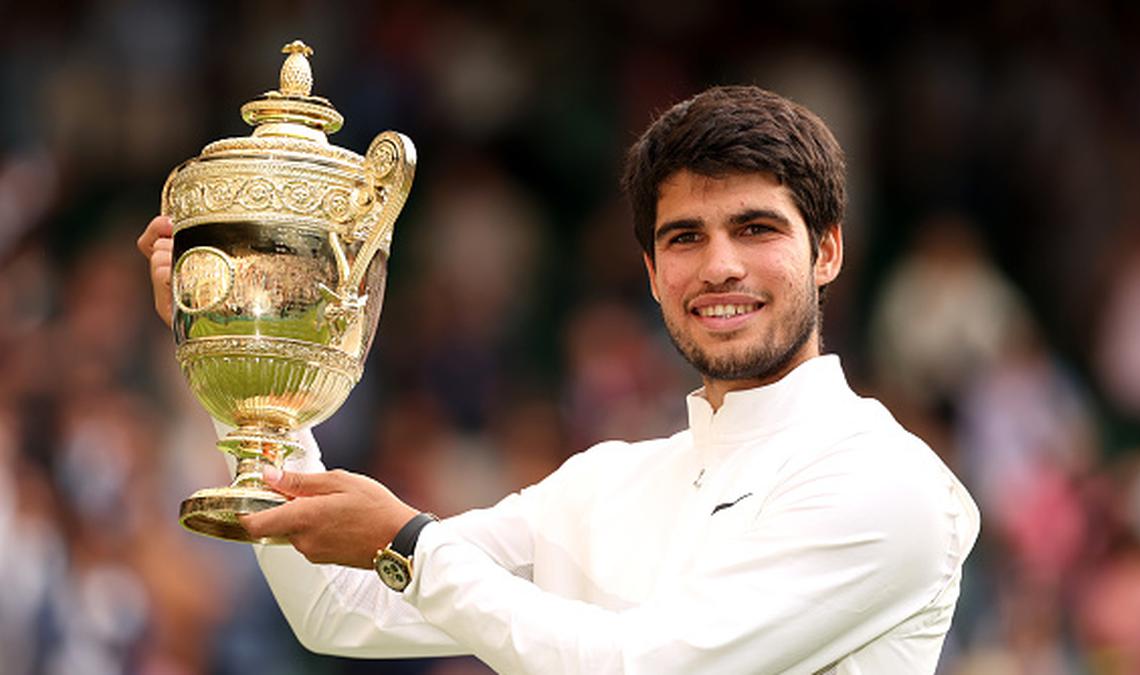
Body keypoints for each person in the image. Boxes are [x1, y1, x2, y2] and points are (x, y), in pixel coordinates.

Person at [138, 85, 979, 674]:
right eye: (685, 237)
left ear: (826, 250)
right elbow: (340, 612)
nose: (719, 266)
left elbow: (643, 668)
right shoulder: (604, 482)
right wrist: (246, 362)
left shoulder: (892, 484)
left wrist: (408, 541)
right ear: (650, 271)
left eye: (756, 228)